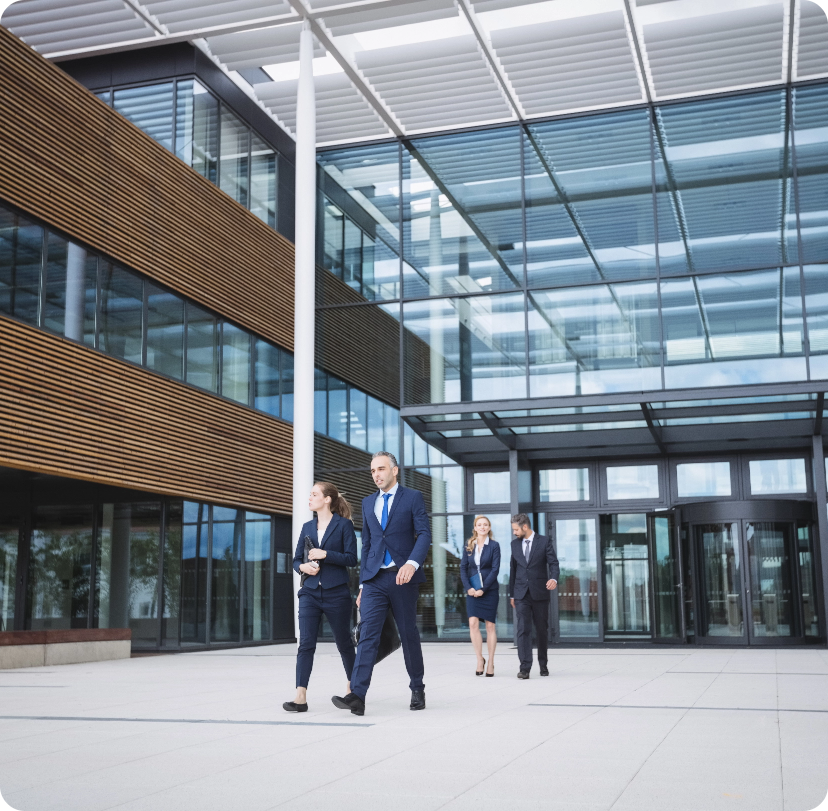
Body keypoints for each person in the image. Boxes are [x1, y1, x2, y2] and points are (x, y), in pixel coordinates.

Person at [331, 451, 432, 716]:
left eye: (381, 469)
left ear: (394, 470)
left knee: (408, 634)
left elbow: (423, 534)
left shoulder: (412, 497)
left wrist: (412, 563)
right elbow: (368, 544)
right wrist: (363, 584)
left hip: (402, 576)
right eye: (373, 470)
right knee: (367, 636)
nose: (376, 474)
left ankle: (417, 687)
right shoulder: (367, 503)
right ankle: (358, 695)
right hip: (374, 579)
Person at [283, 481, 357, 713]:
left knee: (344, 643)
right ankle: (300, 697)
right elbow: (296, 560)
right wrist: (303, 567)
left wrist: (326, 554)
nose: (310, 498)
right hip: (310, 593)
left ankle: (354, 689)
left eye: (314, 494)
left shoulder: (344, 525)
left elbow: (351, 558)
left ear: (327, 499)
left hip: (337, 593)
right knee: (305, 644)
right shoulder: (306, 527)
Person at [509, 513, 559, 679]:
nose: (514, 533)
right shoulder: (514, 545)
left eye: (516, 529)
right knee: (523, 629)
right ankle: (524, 668)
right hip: (521, 593)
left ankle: (543, 664)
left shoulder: (544, 541)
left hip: (540, 592)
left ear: (525, 527)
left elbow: (553, 563)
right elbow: (513, 570)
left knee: (541, 630)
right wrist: (512, 594)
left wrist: (553, 578)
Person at [460, 515, 500, 677]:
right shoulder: (468, 546)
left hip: (489, 590)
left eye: (485, 525)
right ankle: (479, 659)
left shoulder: (494, 546)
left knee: (490, 626)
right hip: (472, 590)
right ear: (475, 528)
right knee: (473, 624)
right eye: (479, 525)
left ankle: (490, 661)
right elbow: (463, 568)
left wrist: (483, 588)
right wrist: (468, 588)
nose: (482, 527)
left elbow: (495, 569)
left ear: (489, 528)